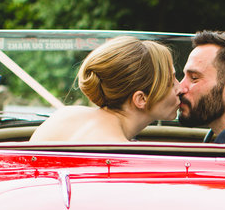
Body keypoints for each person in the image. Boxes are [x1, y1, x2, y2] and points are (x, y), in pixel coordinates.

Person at [29, 36, 179, 143]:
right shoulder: (120, 152)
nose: (181, 88)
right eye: (171, 83)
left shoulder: (64, 115)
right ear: (141, 99)